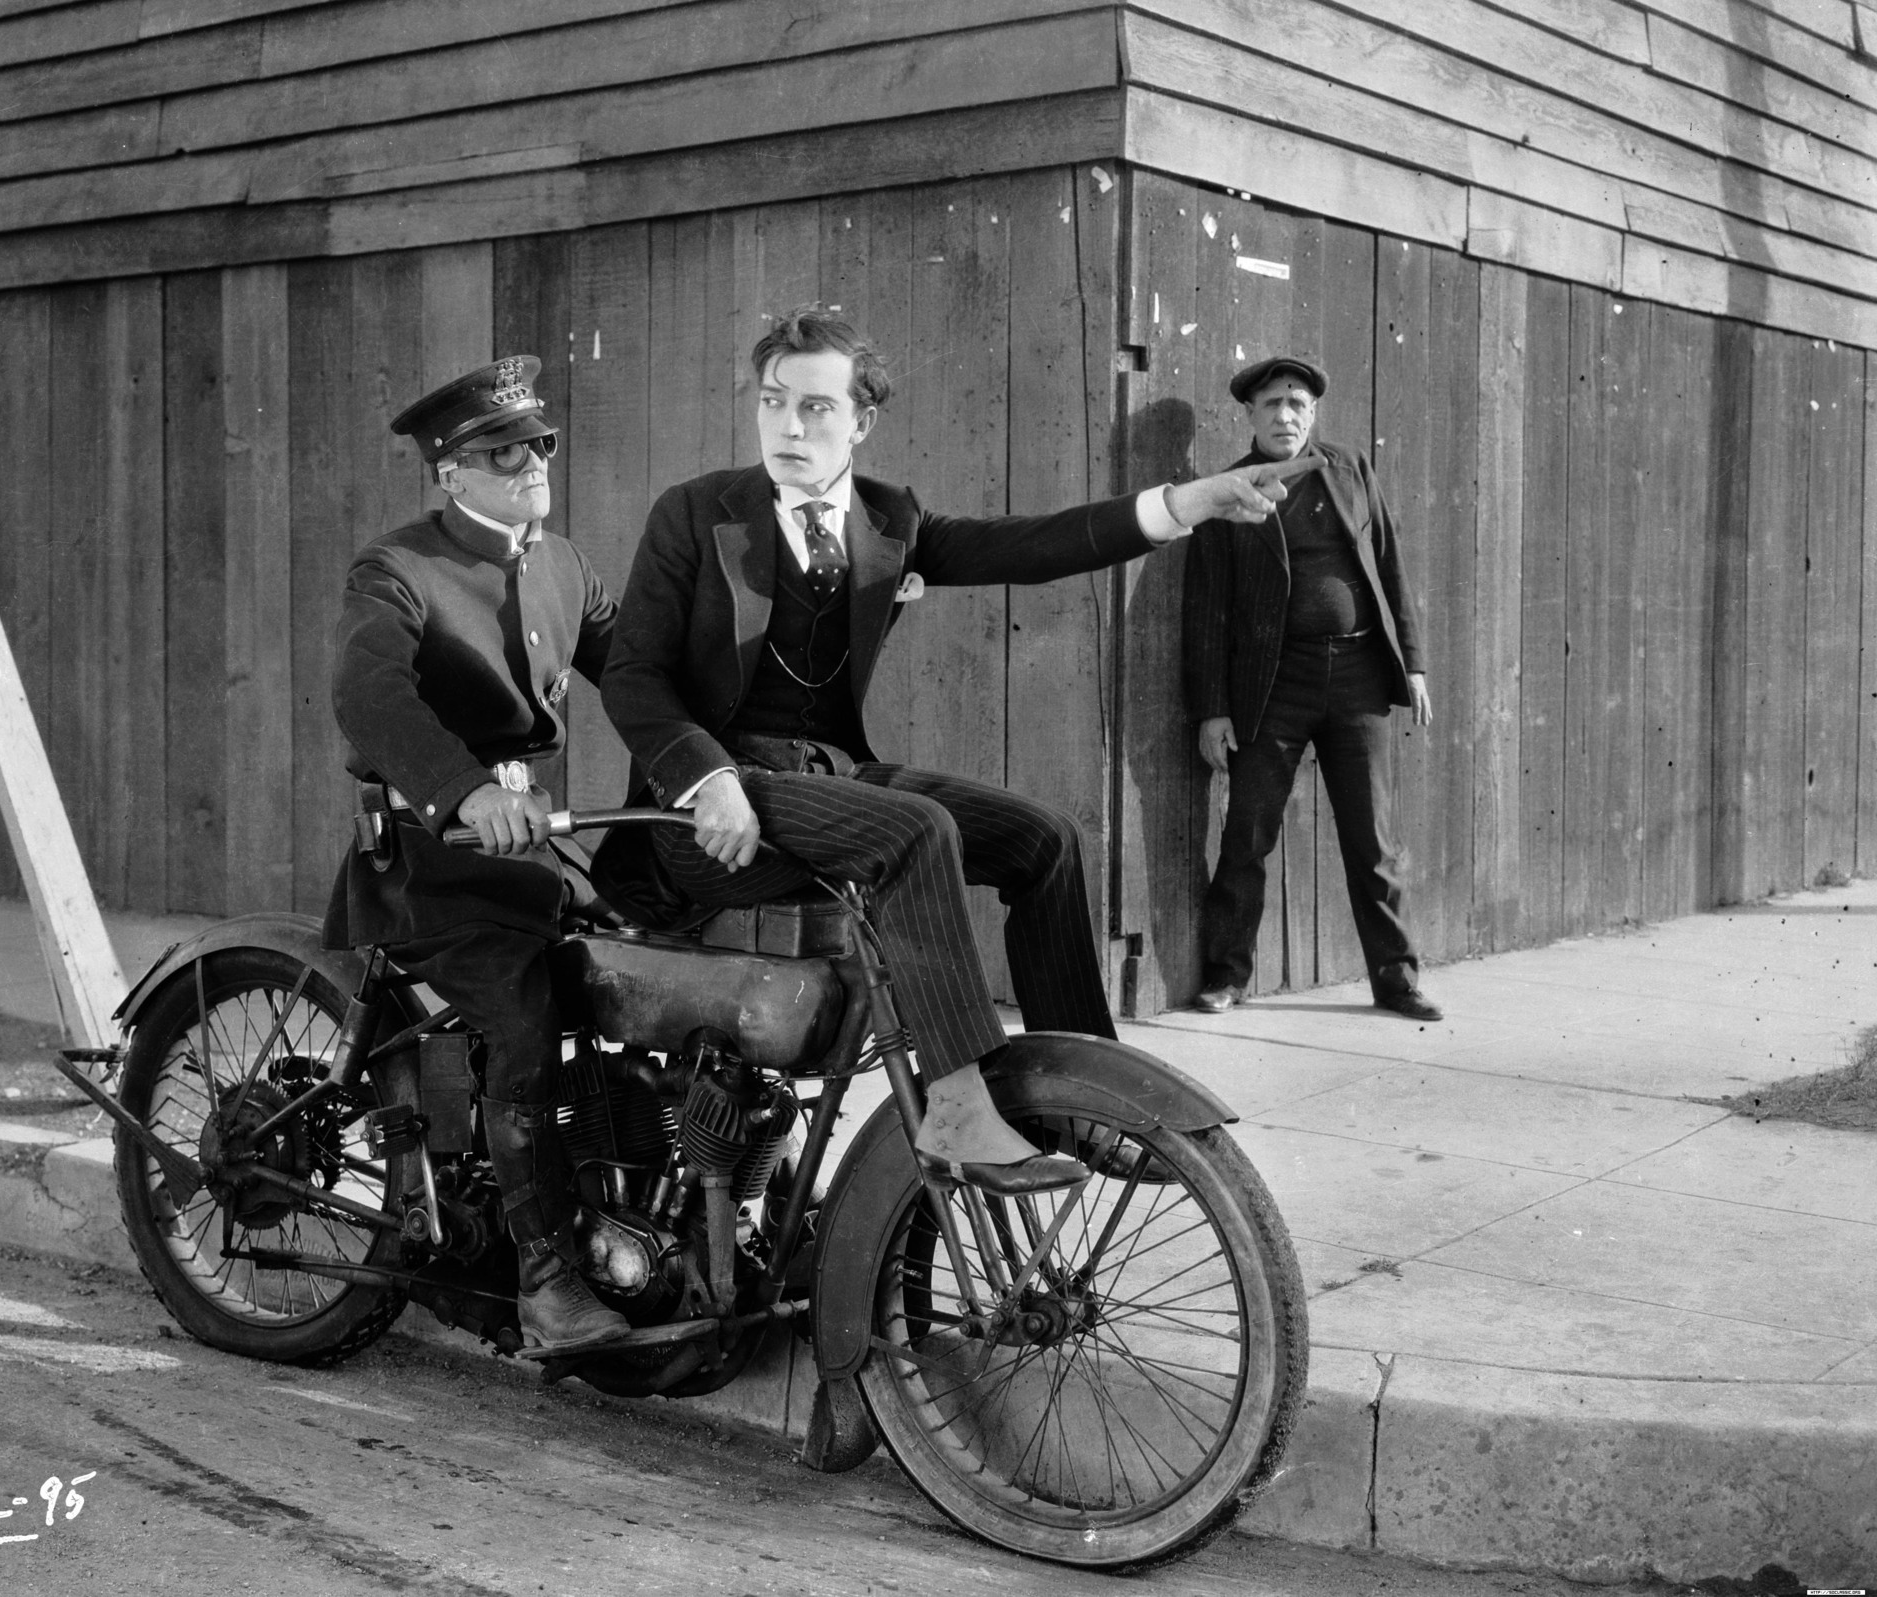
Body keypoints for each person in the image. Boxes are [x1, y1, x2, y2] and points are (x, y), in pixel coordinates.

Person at [596, 307, 1289, 1194]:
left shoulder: (889, 519)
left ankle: (1078, 1097)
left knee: (1043, 838)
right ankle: (959, 1107)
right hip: (708, 813)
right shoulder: (697, 514)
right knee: (918, 831)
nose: (788, 426)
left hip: (828, 782)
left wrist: (1187, 503)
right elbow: (632, 678)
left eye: (815, 408)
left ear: (862, 421)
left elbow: (1033, 546)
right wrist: (708, 777)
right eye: (773, 402)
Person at [323, 355, 630, 1352]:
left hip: (537, 853)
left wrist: (719, 762)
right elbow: (371, 699)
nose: (528, 460)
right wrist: (461, 789)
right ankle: (547, 1286)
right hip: (437, 855)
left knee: (654, 976)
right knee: (522, 1010)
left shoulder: (561, 563)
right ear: (450, 475)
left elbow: (638, 677)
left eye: (536, 443)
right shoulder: (396, 569)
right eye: (498, 451)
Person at [1182, 355, 1441, 1021]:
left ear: (1314, 413)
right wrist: (1212, 709)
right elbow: (1206, 607)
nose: (1285, 415)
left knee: (1372, 839)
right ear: (1250, 415)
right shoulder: (1229, 490)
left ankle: (1397, 981)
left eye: (1297, 402)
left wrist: (1412, 661)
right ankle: (1226, 974)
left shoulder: (1350, 469)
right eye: (1272, 404)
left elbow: (1390, 562)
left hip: (1357, 678)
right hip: (1272, 685)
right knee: (1248, 833)